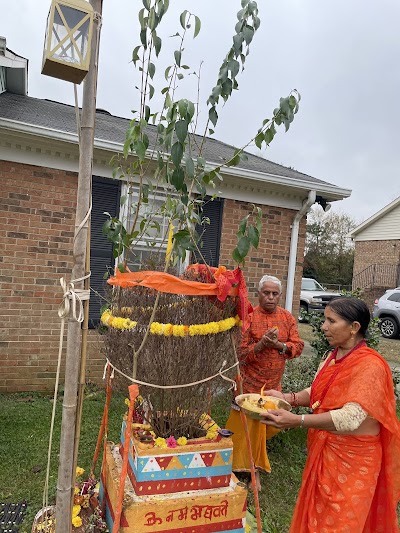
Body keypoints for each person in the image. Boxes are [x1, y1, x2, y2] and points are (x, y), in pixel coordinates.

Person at [261, 297, 400, 532]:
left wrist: (298, 421)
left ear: (354, 327)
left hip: (355, 460)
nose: (324, 326)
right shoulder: (332, 356)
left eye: (331, 321)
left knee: (343, 522)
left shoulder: (370, 367)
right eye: (325, 320)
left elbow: (350, 418)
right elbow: (318, 392)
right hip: (326, 453)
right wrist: (287, 398)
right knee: (318, 517)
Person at [225, 274, 304, 489]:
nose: (270, 297)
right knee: (244, 427)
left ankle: (251, 466)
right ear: (258, 294)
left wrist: (278, 345)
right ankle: (245, 469)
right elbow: (240, 353)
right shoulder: (249, 318)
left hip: (272, 386)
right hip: (248, 383)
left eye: (274, 293)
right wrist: (260, 345)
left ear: (279, 296)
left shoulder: (287, 318)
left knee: (263, 427)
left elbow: (297, 346)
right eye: (266, 293)